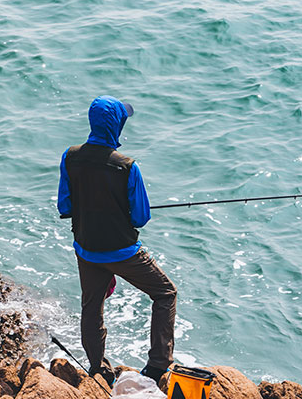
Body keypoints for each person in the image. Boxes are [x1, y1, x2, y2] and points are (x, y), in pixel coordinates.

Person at [57, 95, 177, 386]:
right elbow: (139, 217)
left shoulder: (70, 157)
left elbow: (65, 207)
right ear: (116, 124)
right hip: (122, 251)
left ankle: (98, 368)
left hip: (86, 249)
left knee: (91, 306)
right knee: (165, 294)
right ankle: (159, 365)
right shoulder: (126, 167)